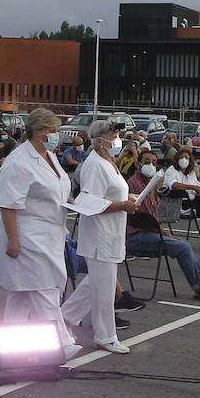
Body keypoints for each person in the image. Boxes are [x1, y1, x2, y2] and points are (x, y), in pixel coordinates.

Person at [0, 107, 78, 359]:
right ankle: (62, 343)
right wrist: (13, 240)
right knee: (46, 288)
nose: (56, 135)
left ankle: (10, 347)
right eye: (52, 130)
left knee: (21, 293)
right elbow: (8, 204)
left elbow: (57, 188)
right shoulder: (19, 162)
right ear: (38, 132)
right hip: (27, 234)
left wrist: (72, 200)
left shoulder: (50, 156)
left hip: (50, 232)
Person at [60, 120, 137, 354]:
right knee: (103, 287)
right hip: (100, 233)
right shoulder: (95, 164)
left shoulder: (109, 161)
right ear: (100, 140)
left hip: (111, 231)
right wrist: (122, 205)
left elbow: (112, 192)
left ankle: (65, 316)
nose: (118, 139)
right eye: (114, 135)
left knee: (97, 281)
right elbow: (88, 201)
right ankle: (106, 336)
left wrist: (128, 198)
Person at [125, 149, 200, 300]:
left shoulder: (150, 185)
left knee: (183, 244)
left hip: (148, 233)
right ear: (138, 164)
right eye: (147, 162)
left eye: (154, 163)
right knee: (182, 246)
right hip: (136, 237)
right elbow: (147, 221)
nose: (150, 165)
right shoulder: (135, 185)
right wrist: (168, 235)